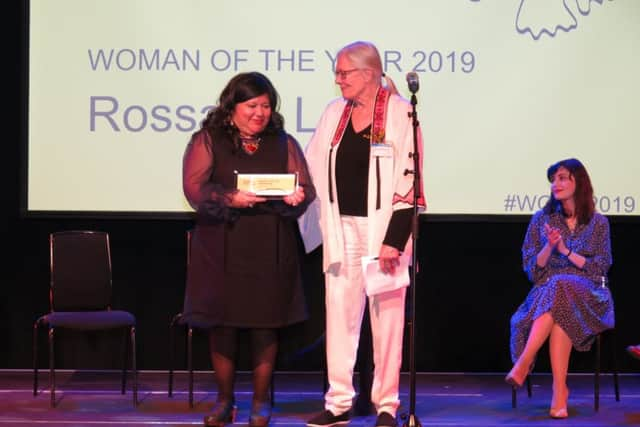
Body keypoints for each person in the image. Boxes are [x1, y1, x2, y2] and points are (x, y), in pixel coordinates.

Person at [300, 41, 426, 427]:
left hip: (384, 231)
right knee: (339, 315)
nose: (337, 80)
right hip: (342, 229)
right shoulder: (334, 112)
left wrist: (395, 237)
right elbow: (311, 163)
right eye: (336, 73)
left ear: (370, 73)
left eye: (344, 72)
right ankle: (339, 403)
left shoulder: (403, 114)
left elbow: (410, 179)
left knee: (387, 318)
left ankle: (386, 404)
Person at [182, 71, 315, 427]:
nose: (260, 112)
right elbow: (195, 189)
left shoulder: (283, 142)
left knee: (265, 327)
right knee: (223, 327)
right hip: (222, 246)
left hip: (270, 246)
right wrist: (231, 197)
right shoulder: (209, 140)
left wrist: (298, 196)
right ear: (232, 106)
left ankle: (260, 404)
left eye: (267, 105)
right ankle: (224, 403)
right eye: (252, 105)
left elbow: (305, 188)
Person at [506, 158, 614, 419]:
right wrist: (549, 247)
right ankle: (559, 392)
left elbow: (600, 268)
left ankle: (524, 362)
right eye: (553, 179)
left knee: (560, 286)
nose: (556, 184)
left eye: (563, 178)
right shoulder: (542, 220)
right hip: (548, 293)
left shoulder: (598, 223)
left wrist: (565, 251)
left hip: (590, 293)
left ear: (580, 182)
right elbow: (532, 270)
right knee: (558, 294)